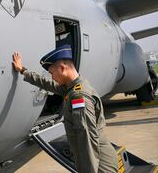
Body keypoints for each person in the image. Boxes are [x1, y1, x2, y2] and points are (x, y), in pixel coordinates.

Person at [12, 45, 117, 173]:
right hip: (98, 161)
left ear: (62, 68)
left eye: (51, 73)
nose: (52, 77)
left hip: (99, 166)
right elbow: (48, 84)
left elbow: (86, 140)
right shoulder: (76, 86)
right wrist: (23, 70)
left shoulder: (79, 97)